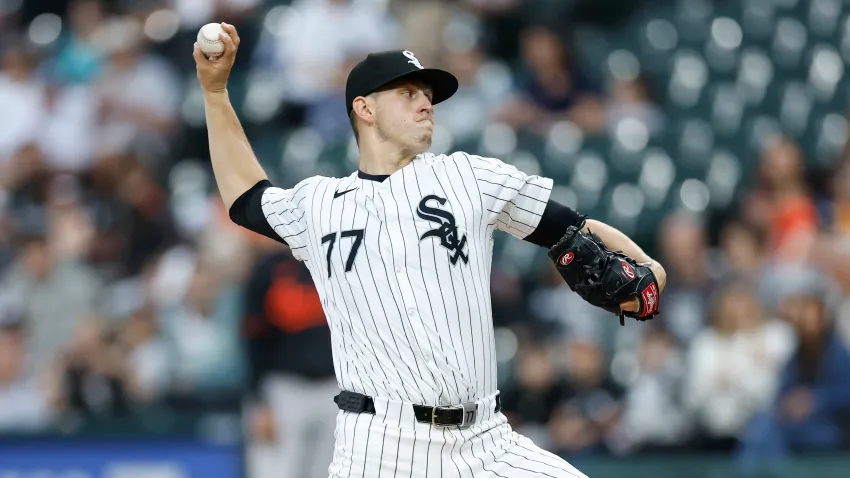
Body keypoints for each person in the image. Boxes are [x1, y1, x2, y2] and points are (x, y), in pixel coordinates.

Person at [193, 23, 667, 478]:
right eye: (408, 93)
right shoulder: (319, 203)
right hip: (379, 448)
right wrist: (215, 94)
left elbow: (572, 227)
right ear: (365, 108)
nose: (426, 104)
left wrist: (649, 266)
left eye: (428, 95)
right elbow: (246, 198)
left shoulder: (469, 178)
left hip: (487, 443)